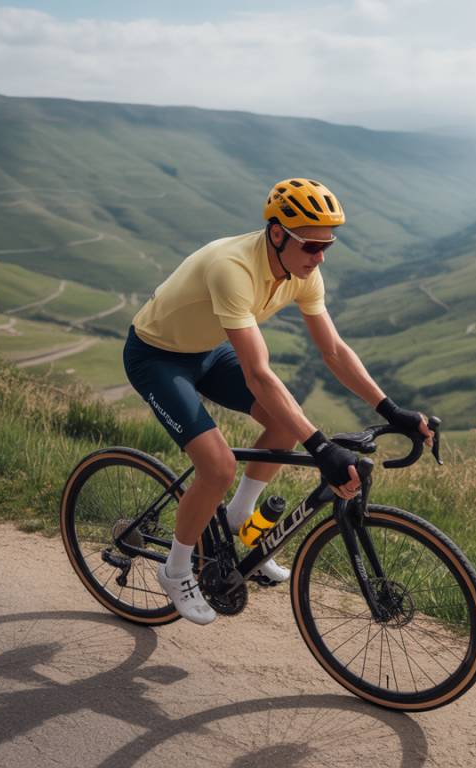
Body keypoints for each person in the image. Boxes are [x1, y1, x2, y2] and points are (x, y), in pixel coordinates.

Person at [123, 178, 433, 624]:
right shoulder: (233, 268)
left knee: (286, 421)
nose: (320, 256)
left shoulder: (304, 271)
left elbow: (334, 352)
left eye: (328, 245)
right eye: (311, 246)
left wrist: (392, 410)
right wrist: (322, 448)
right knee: (217, 466)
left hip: (208, 351)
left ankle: (239, 516)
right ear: (277, 234)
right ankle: (174, 570)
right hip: (157, 357)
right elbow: (258, 373)